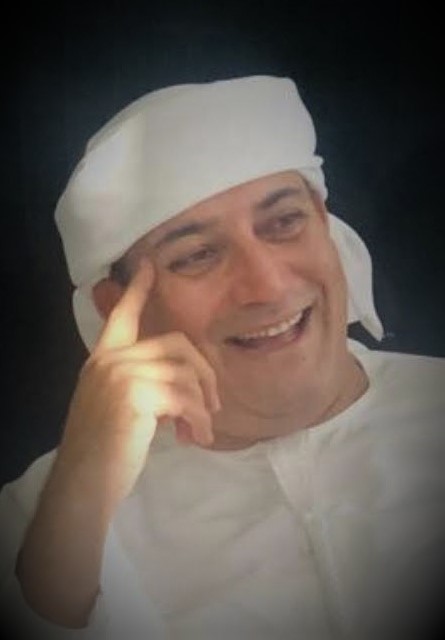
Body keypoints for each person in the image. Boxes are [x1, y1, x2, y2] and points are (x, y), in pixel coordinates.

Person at [0, 76, 443, 639]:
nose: (268, 286)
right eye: (198, 255)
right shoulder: (39, 521)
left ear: (326, 227)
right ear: (118, 310)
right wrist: (73, 530)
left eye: (284, 222)